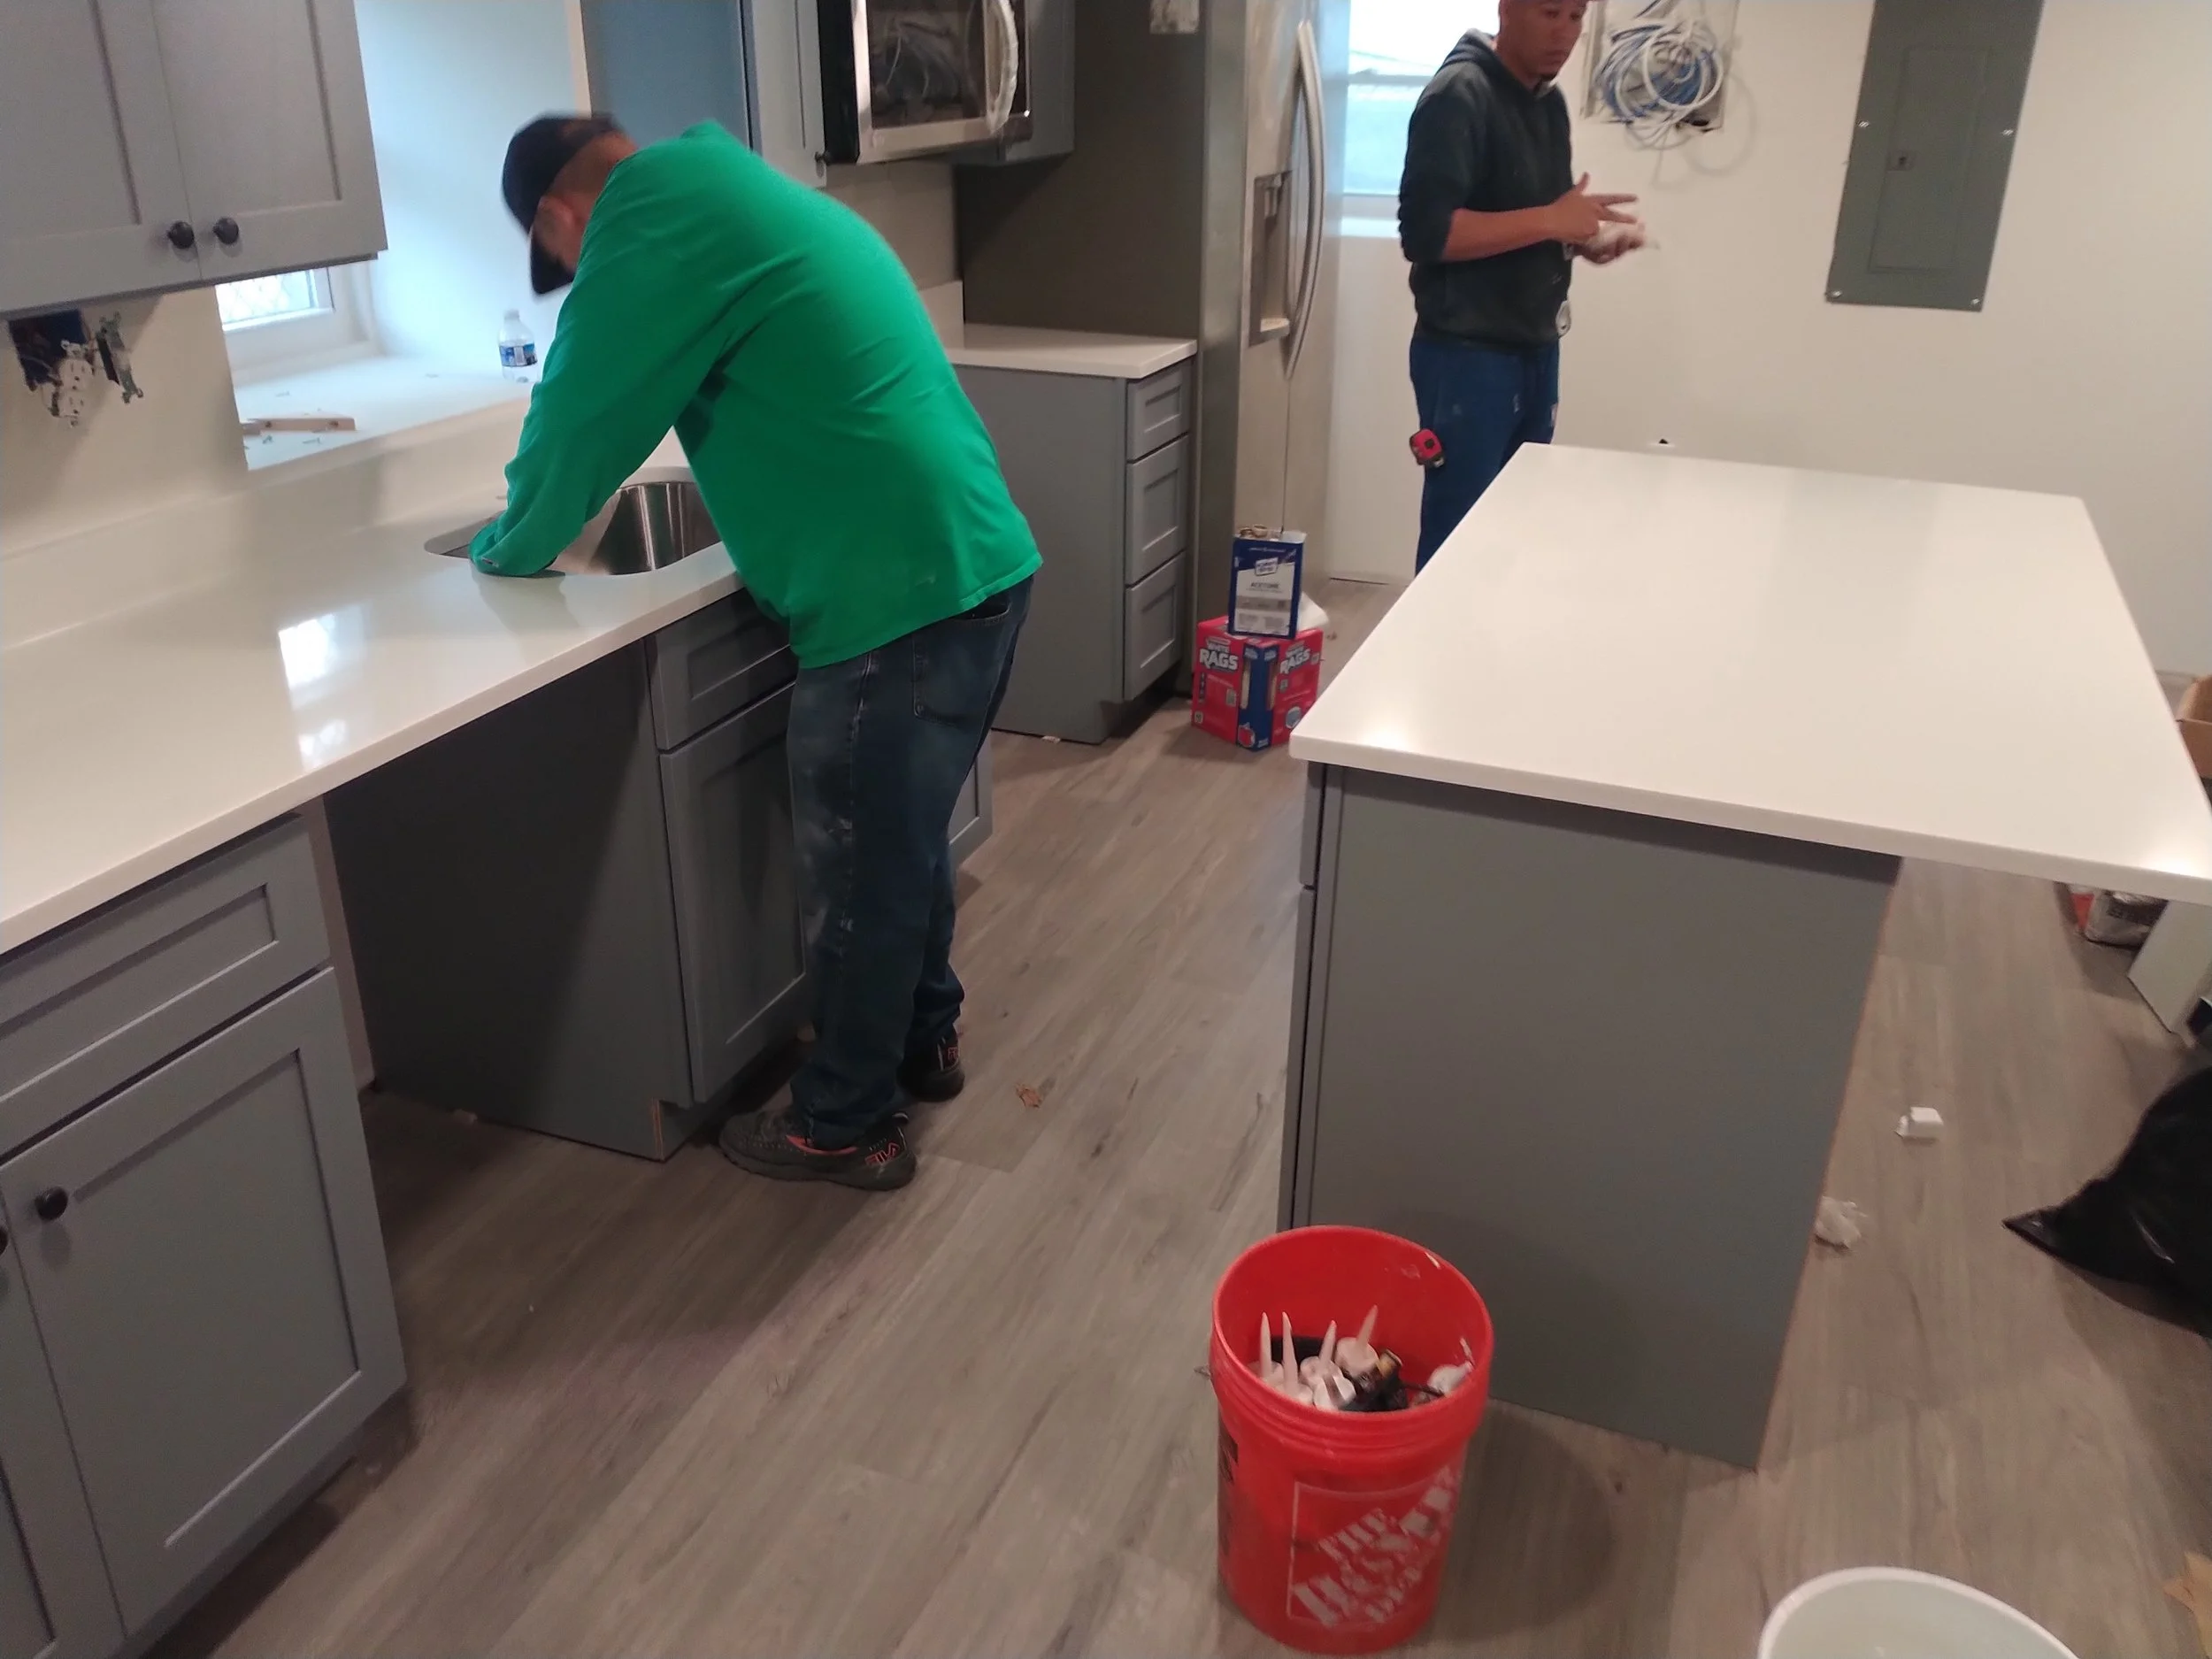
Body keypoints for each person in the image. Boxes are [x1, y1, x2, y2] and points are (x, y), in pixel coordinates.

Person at [472, 114, 1040, 1193]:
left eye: (561, 258)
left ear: (558, 217)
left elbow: (577, 425)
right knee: (902, 845)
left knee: (861, 870)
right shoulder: (726, 188)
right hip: (973, 565)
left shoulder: (645, 219)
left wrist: (502, 551)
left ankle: (845, 1122)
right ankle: (925, 1037)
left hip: (892, 595)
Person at [1397, 0, 1644, 570]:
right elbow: (1427, 235)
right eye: (1549, 13)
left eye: (1576, 16)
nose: (1566, 33)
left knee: (1515, 526)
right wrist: (1553, 221)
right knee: (1459, 538)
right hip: (1466, 356)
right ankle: (1442, 632)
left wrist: (1581, 242)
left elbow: (1535, 220)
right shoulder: (1458, 95)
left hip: (1535, 347)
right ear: (1507, 9)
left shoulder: (1547, 102)